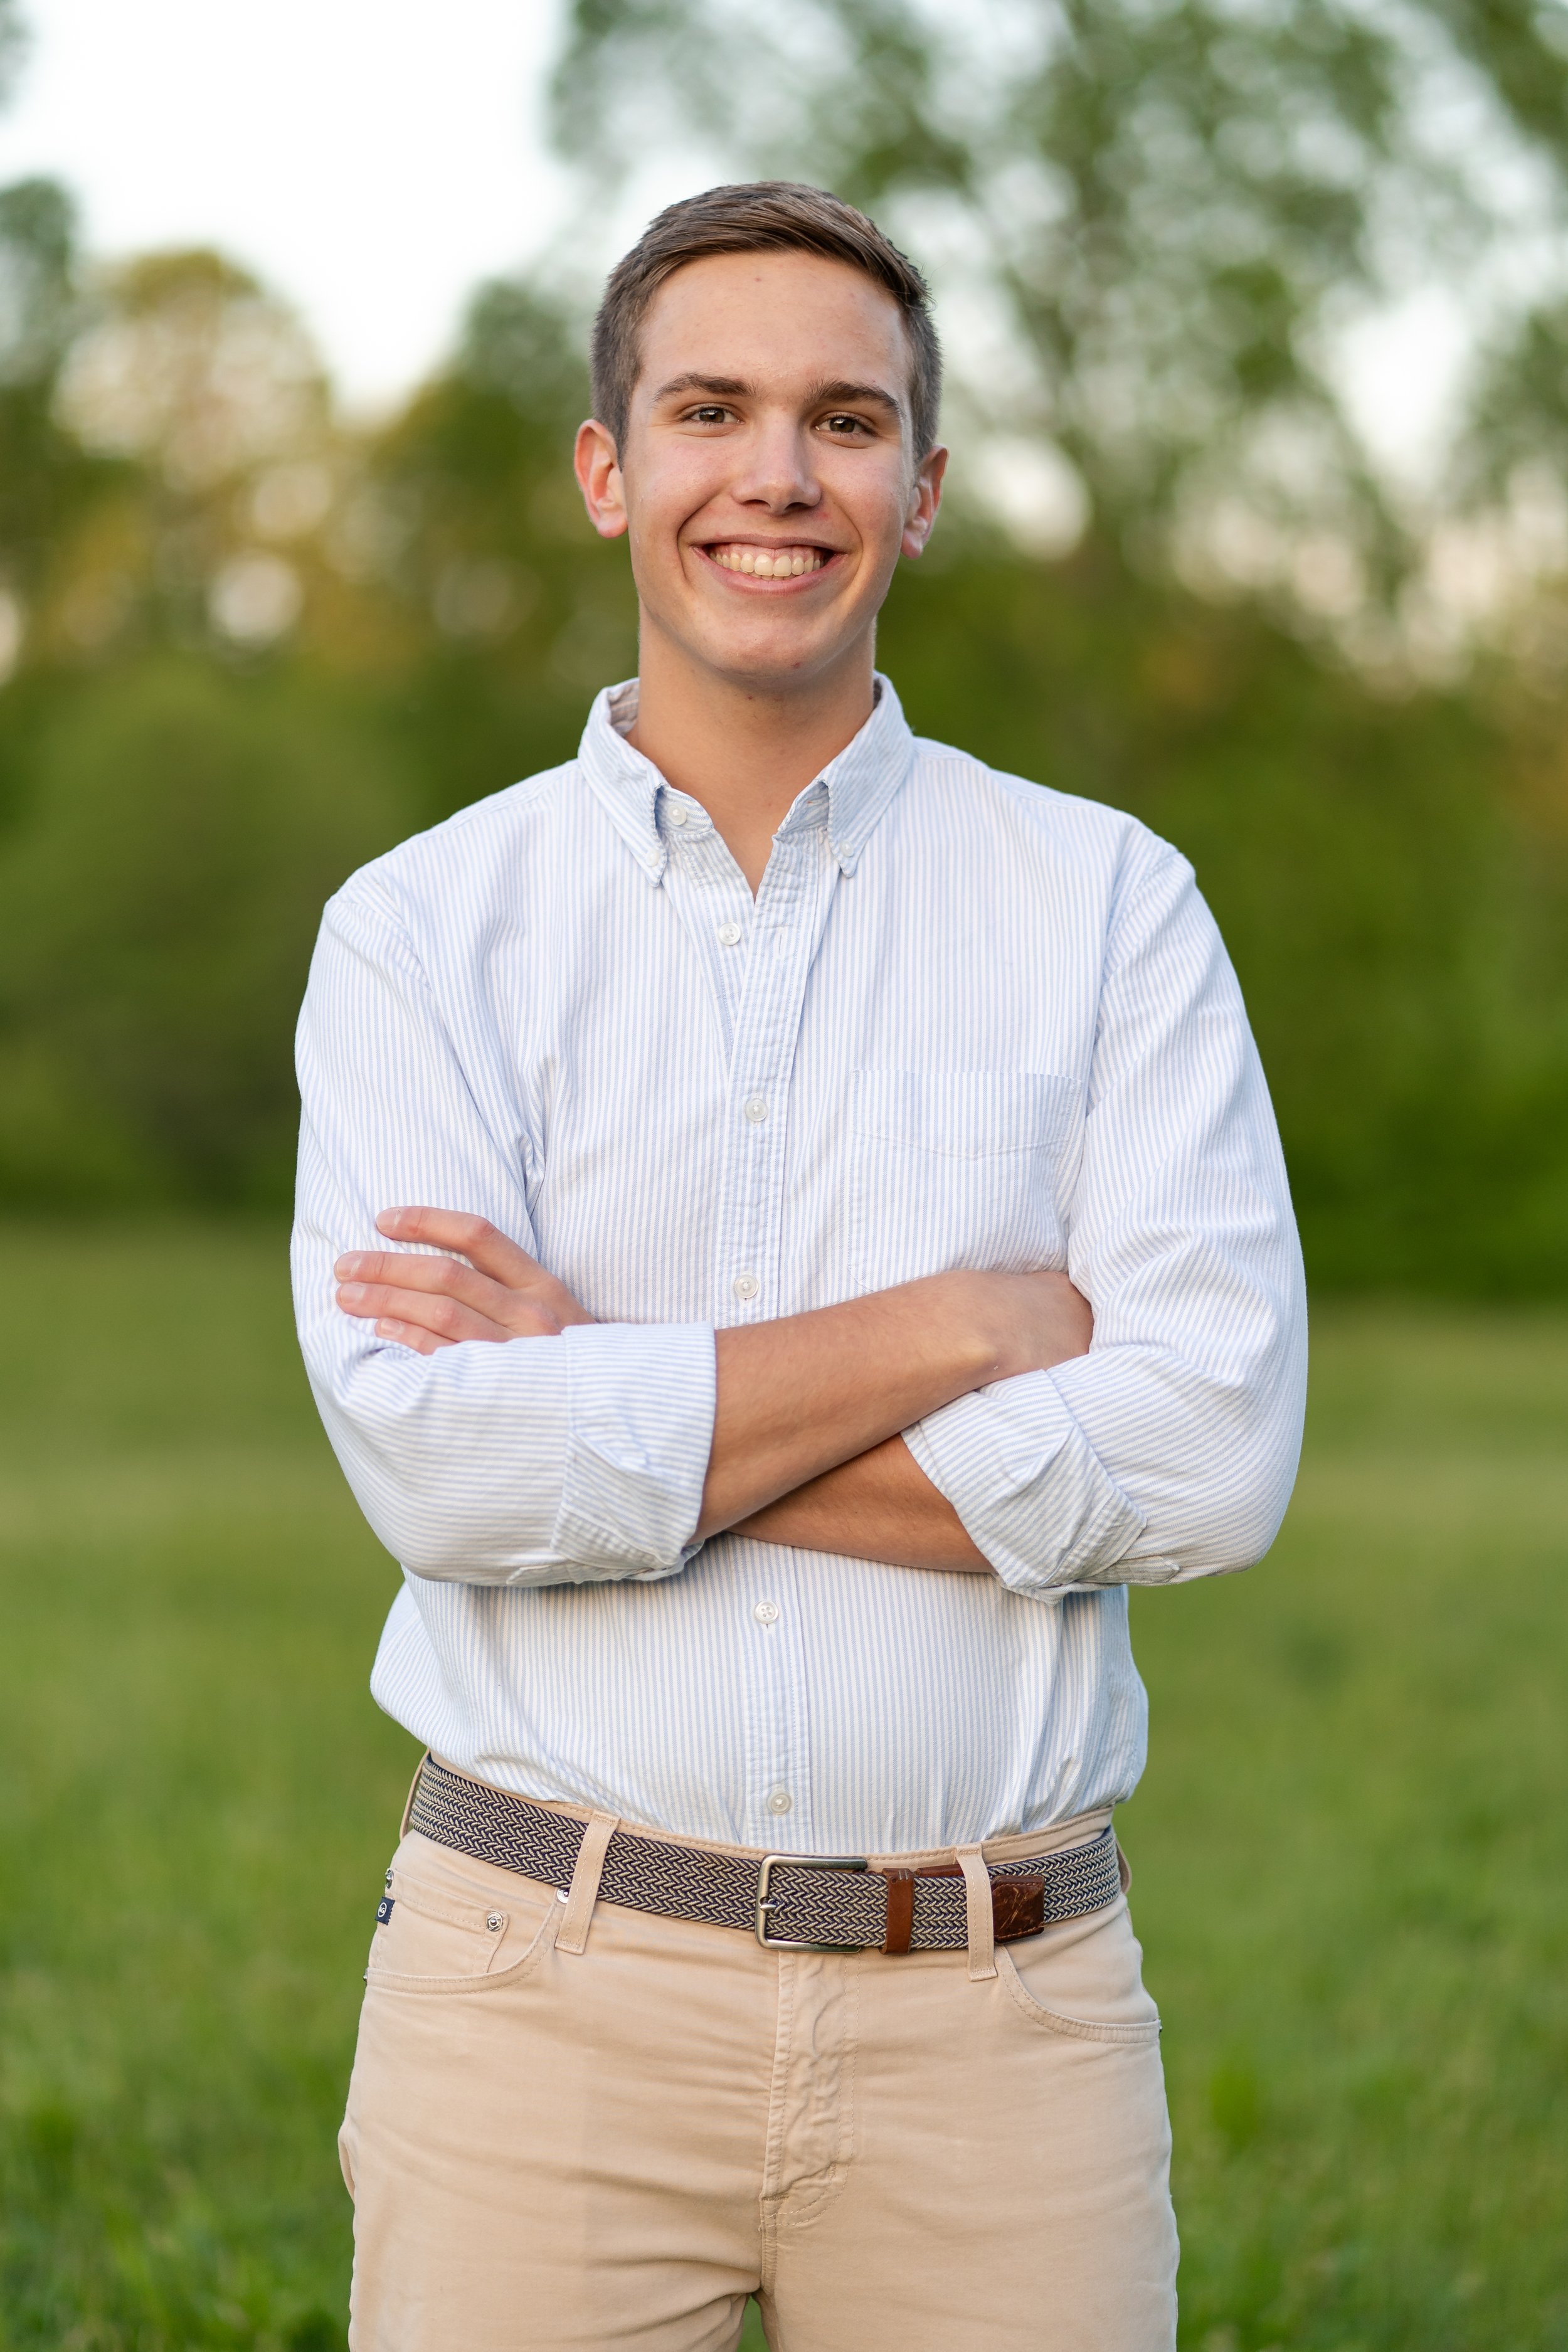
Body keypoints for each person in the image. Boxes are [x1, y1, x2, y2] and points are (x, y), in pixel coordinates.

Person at [292, 179, 1306, 2352]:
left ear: (919, 490)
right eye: (710, 411)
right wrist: (953, 1327)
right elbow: (445, 1477)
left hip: (1000, 2025)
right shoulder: (421, 927)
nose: (776, 475)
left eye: (845, 420)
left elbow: (1208, 1457)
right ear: (609, 470)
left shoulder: (1112, 905)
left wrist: (605, 1383)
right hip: (532, 2000)